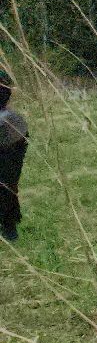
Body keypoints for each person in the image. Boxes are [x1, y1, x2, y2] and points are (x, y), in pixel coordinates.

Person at [0, 72, 24, 243]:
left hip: (9, 132)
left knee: (6, 180)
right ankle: (11, 219)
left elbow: (6, 91)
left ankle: (9, 226)